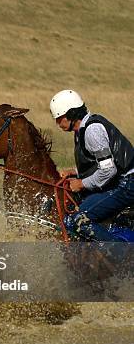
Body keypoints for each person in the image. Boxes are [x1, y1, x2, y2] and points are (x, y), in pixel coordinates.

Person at [50, 89, 134, 241]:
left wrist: (81, 183)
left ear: (71, 114)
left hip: (127, 184)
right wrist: (75, 171)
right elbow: (102, 161)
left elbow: (108, 170)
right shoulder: (81, 130)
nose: (57, 123)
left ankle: (121, 256)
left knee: (78, 220)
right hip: (122, 180)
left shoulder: (92, 131)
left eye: (59, 118)